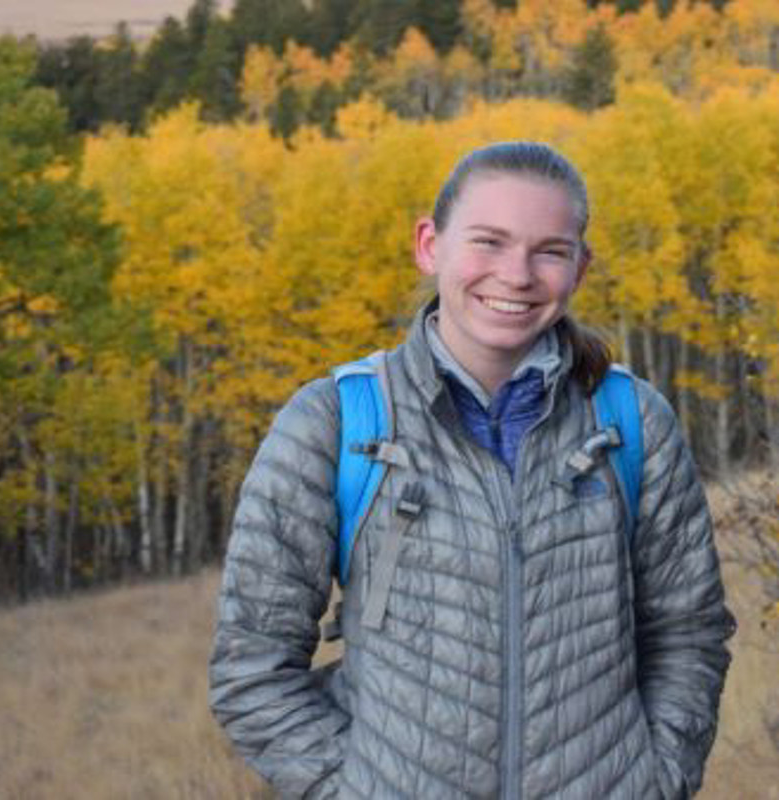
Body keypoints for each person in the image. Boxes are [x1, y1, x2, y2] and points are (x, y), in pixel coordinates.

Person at [209, 142, 735, 799]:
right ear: (430, 245)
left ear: (581, 266)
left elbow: (688, 634)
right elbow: (252, 666)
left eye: (550, 250)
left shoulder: (631, 423)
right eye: (488, 241)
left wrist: (657, 782)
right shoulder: (335, 423)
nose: (516, 275)